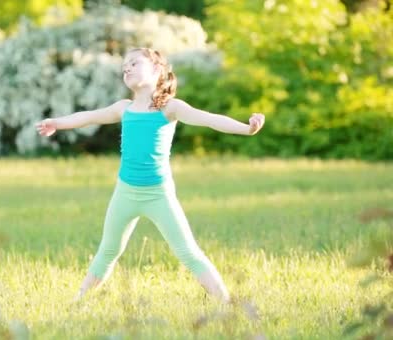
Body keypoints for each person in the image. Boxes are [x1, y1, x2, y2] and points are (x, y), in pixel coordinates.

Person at [35, 47, 265, 304]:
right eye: (124, 67)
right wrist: (56, 122)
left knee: (188, 252)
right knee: (108, 250)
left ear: (157, 69)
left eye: (134, 63)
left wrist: (246, 129)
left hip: (159, 195)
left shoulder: (170, 108)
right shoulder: (124, 108)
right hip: (125, 193)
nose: (127, 68)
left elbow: (209, 119)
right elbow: (88, 117)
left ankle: (226, 304)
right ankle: (78, 302)